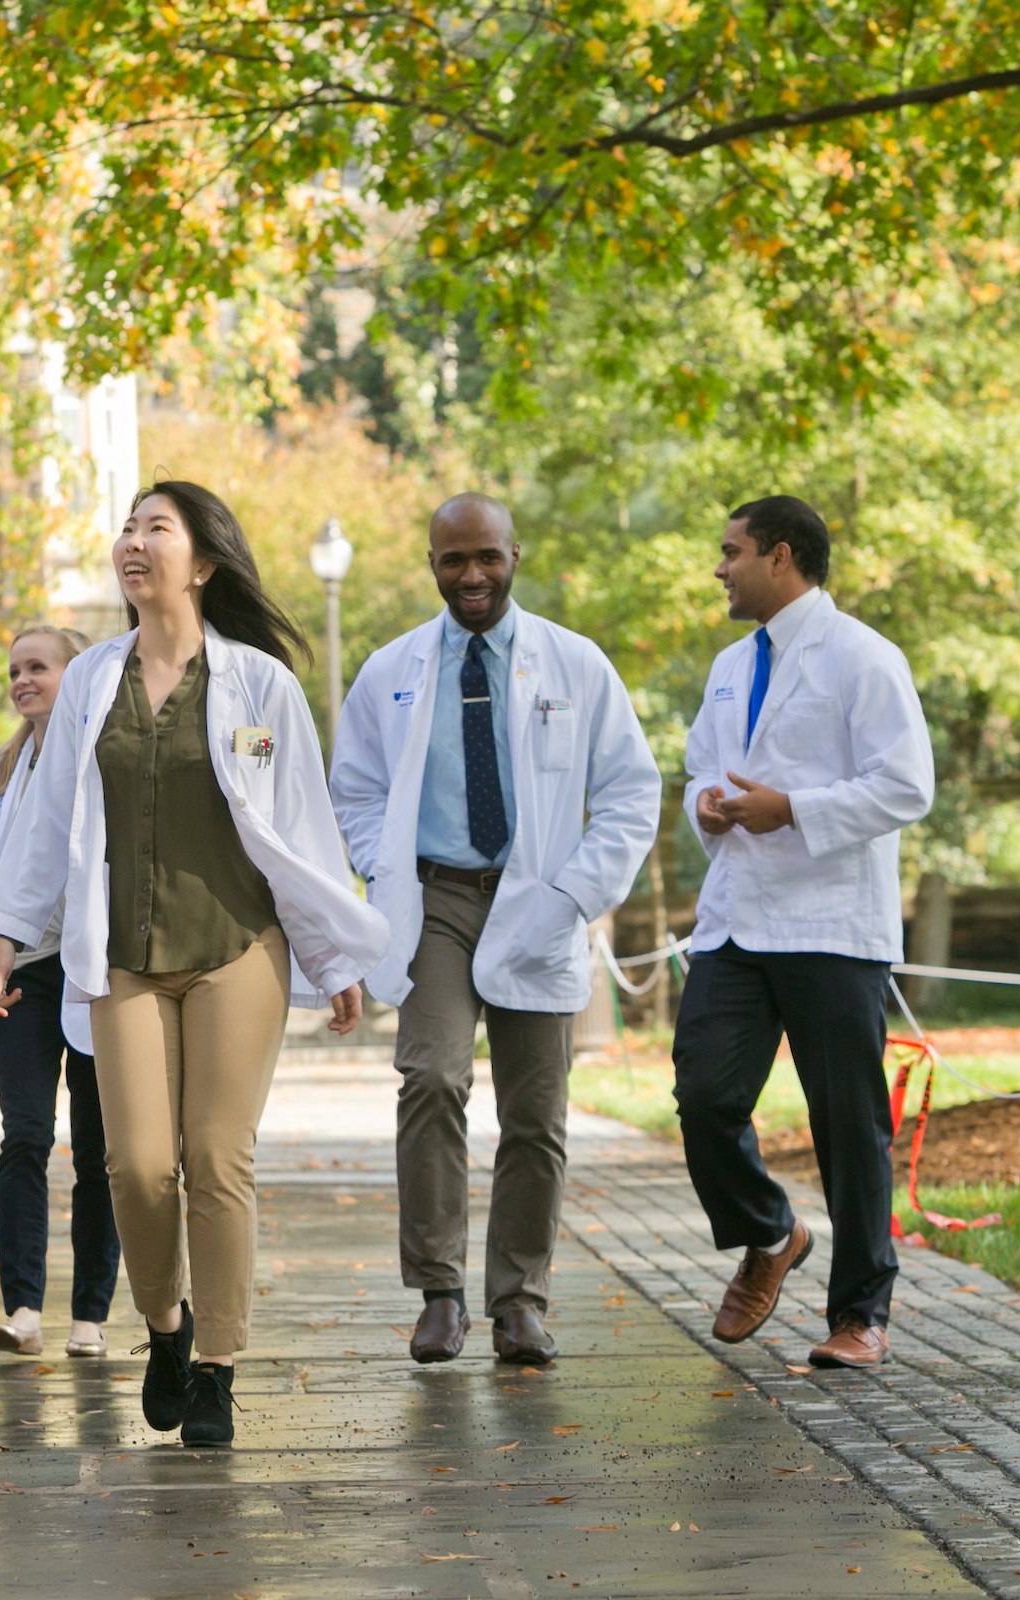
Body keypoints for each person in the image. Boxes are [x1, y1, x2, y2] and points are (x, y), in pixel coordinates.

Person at [0, 481, 388, 1448]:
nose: (133, 542)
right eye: (127, 527)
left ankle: (216, 1368)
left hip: (237, 948)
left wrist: (332, 958)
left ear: (201, 563)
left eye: (155, 529)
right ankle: (167, 1325)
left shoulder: (260, 687)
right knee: (135, 1166)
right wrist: (5, 930)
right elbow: (47, 825)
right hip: (121, 955)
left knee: (215, 1158)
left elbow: (301, 832)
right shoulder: (90, 684)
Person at [329, 493, 659, 1367]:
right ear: (431, 564)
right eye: (452, 560)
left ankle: (520, 1300)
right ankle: (440, 1292)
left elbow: (632, 792)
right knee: (431, 1078)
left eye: (486, 557)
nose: (471, 575)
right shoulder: (391, 669)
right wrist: (382, 861)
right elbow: (352, 788)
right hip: (435, 899)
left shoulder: (575, 665)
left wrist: (577, 892)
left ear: (516, 553)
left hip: (539, 898)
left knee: (536, 1114)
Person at [675, 495, 933, 1370]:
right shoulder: (726, 665)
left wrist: (796, 810)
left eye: (731, 551)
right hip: (738, 921)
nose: (721, 568)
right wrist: (705, 805)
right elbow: (700, 769)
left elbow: (907, 786)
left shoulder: (864, 657)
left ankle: (861, 1315)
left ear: (780, 557)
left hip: (831, 926)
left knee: (849, 1126)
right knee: (705, 1099)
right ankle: (771, 1231)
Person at [0, 625, 120, 1361]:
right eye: (14, 670)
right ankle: (24, 1309)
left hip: (97, 971)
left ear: (78, 673)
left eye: (38, 666)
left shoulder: (106, 758)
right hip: (23, 976)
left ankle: (90, 1318)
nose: (22, 680)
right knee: (26, 1138)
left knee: (100, 1152)